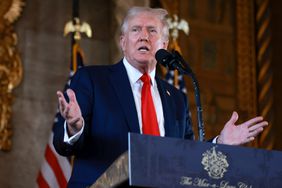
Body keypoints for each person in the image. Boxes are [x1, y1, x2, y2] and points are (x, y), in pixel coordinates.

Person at [53, 6, 268, 187]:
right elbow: (64, 147)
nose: (144, 36)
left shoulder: (176, 98)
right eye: (136, 30)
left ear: (164, 46)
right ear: (123, 42)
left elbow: (187, 157)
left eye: (152, 30)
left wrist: (219, 143)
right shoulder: (93, 80)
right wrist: (74, 126)